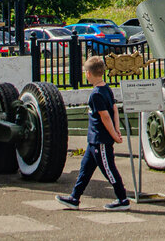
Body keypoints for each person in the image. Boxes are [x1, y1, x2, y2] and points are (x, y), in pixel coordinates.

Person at [56, 55, 130, 211]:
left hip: (100, 139)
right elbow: (115, 110)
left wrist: (114, 135)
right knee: (85, 170)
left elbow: (105, 117)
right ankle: (74, 198)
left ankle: (122, 198)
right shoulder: (106, 89)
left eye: (85, 72)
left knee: (109, 169)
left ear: (89, 74)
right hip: (93, 140)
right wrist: (117, 130)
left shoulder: (96, 94)